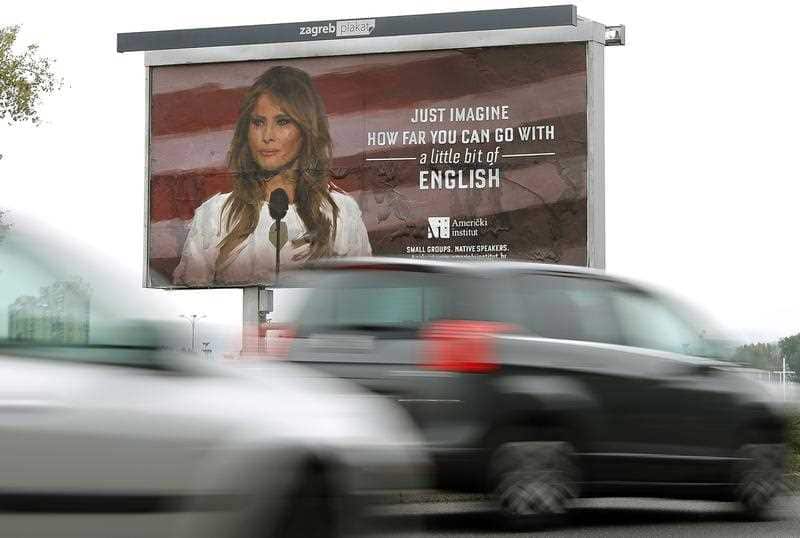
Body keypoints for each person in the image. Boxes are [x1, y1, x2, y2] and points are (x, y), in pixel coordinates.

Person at [173, 66, 371, 286]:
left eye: (282, 122)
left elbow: (363, 298)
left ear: (306, 130)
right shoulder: (214, 215)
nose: (267, 136)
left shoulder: (343, 214)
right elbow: (191, 305)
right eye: (258, 123)